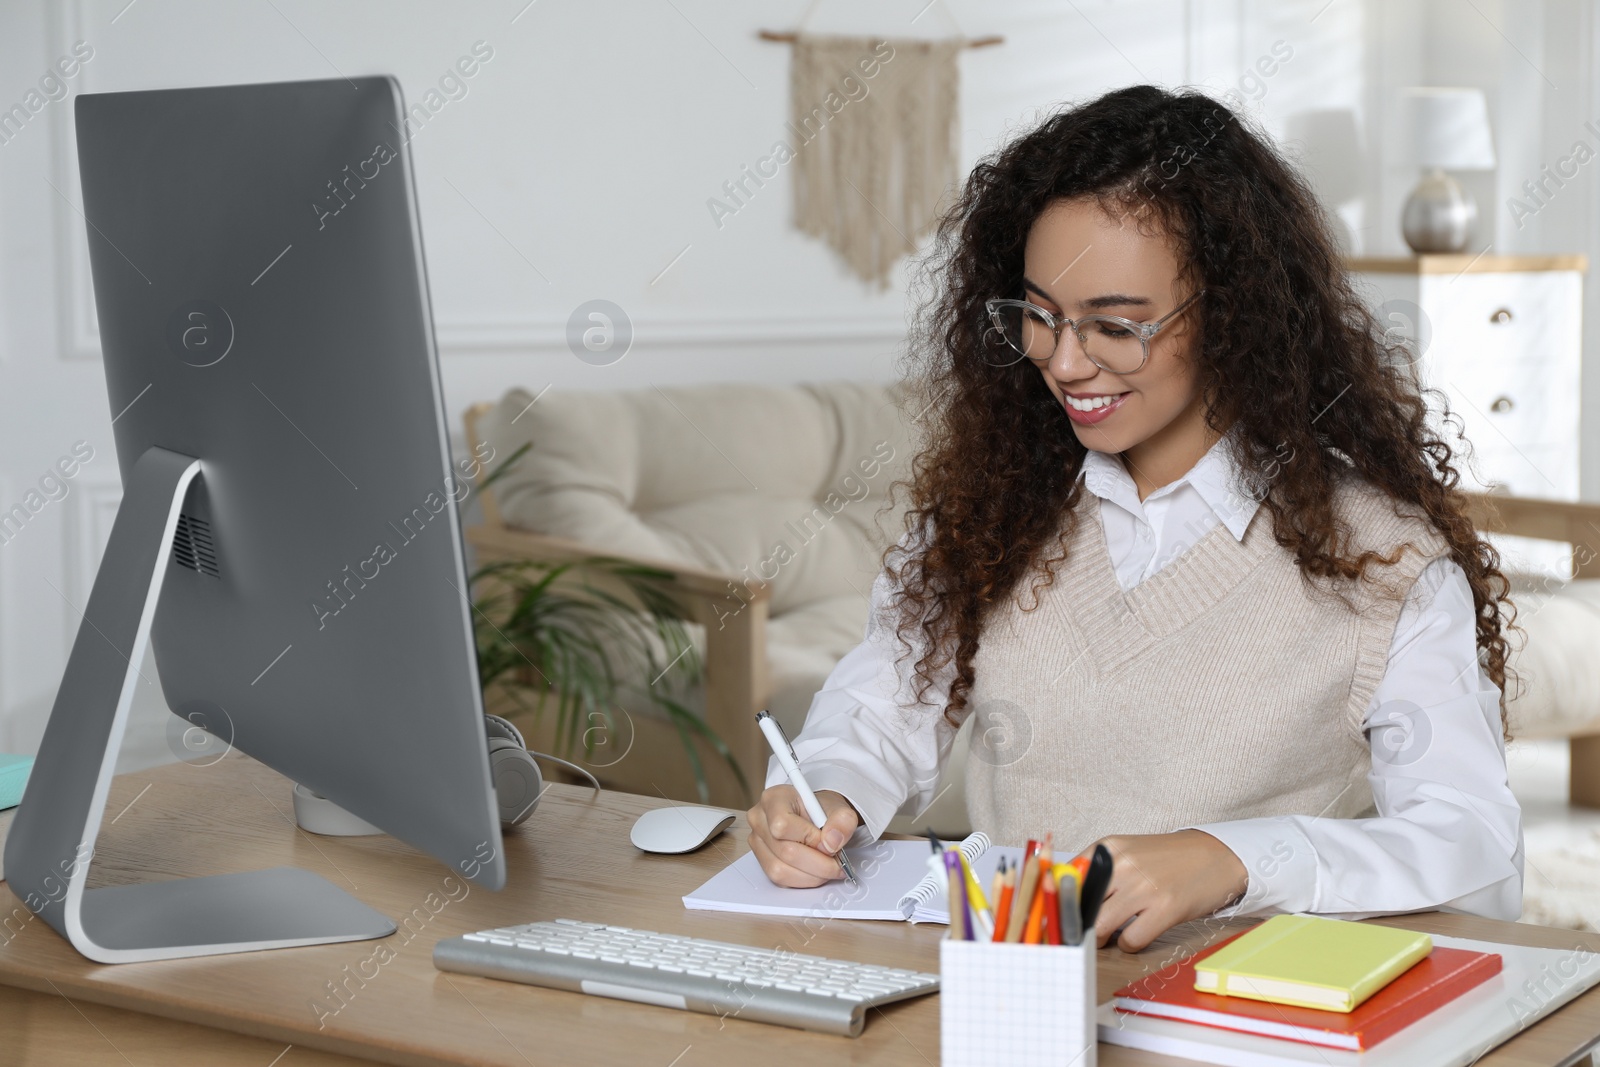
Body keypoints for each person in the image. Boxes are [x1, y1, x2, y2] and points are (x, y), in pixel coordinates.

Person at [745, 84, 1524, 952]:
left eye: (1115, 326)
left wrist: (1229, 858)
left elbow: (1475, 846)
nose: (1066, 362)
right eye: (1039, 316)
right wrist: (824, 789)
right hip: (1009, 1004)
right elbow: (883, 707)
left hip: (1240, 1021)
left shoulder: (1385, 560)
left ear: (1233, 316)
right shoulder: (995, 506)